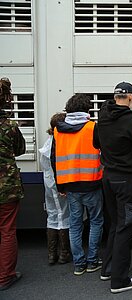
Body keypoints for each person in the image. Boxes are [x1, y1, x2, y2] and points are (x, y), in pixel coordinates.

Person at [97, 82, 132, 293]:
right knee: (126, 227)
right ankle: (119, 280)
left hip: (107, 177)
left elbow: (95, 143)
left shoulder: (102, 116)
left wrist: (131, 109)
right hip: (126, 180)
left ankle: (107, 269)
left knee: (115, 224)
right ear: (129, 98)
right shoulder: (131, 122)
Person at [51, 94, 104, 276]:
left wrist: (60, 186)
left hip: (71, 185)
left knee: (75, 224)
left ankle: (79, 264)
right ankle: (92, 261)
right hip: (92, 183)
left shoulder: (58, 130)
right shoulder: (92, 128)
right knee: (96, 221)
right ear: (87, 109)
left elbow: (54, 159)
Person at [0, 77, 25, 291]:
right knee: (7, 231)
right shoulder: (10, 126)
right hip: (6, 187)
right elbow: (19, 150)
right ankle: (5, 276)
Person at [39, 113, 71, 265]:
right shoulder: (60, 143)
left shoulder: (47, 143)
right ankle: (64, 253)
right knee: (64, 216)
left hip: (49, 184)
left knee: (52, 215)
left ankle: (52, 255)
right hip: (60, 184)